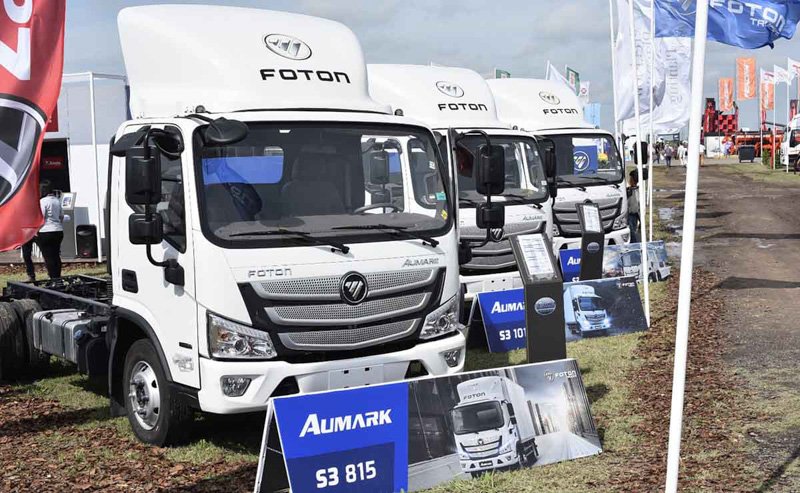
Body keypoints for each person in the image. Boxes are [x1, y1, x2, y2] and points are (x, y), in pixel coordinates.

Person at [37, 181, 64, 279]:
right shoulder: (57, 200)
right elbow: (61, 216)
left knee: (48, 256)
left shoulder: (43, 201)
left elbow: (41, 217)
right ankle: (58, 276)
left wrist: (36, 230)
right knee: (56, 255)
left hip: (46, 231)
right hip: (58, 230)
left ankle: (53, 277)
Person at [627, 169, 640, 243]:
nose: (629, 180)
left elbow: (636, 206)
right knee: (632, 233)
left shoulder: (635, 191)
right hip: (630, 215)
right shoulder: (629, 190)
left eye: (630, 179)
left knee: (632, 233)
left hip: (632, 215)